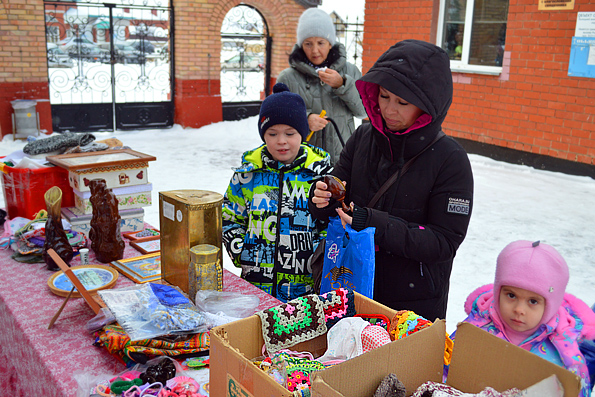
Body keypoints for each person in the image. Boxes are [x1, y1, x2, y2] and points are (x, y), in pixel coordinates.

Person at [309, 39, 474, 321]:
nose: (389, 110)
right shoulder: (363, 138)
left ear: (429, 105)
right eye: (384, 96)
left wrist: (371, 222)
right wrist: (322, 196)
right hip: (352, 289)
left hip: (410, 307)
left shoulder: (451, 161)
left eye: (402, 102)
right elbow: (337, 193)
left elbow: (443, 242)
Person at [222, 82, 333, 302]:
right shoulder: (248, 174)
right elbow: (229, 217)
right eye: (272, 134)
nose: (281, 141)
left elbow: (330, 223)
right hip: (254, 285)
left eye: (290, 133)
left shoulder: (320, 175)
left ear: (303, 133)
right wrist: (242, 251)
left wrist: (316, 258)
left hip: (304, 288)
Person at [458, 240, 595, 397]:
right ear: (498, 292)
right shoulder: (476, 327)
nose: (519, 310)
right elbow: (448, 368)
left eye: (533, 301)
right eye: (511, 295)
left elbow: (578, 390)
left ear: (552, 303)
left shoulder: (565, 352)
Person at [277, 8, 366, 164]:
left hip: (343, 156)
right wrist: (305, 119)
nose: (315, 50)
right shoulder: (287, 77)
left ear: (330, 43)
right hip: (303, 160)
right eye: (308, 43)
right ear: (301, 45)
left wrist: (342, 85)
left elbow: (363, 111)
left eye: (321, 43)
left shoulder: (350, 71)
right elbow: (278, 118)